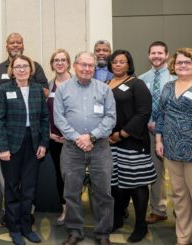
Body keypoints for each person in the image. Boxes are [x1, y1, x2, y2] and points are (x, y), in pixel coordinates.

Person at [54, 51, 116, 245]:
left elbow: (111, 117)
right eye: (83, 65)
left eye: (91, 66)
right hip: (72, 149)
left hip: (100, 147)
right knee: (71, 192)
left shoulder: (105, 89)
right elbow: (59, 118)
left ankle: (103, 232)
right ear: (75, 66)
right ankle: (74, 231)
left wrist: (91, 136)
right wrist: (78, 138)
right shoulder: (63, 89)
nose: (87, 69)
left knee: (103, 192)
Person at [0, 54, 49, 245]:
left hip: (33, 143)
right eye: (17, 67)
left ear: (31, 69)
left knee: (28, 189)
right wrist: (2, 147)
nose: (22, 69)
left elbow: (44, 118)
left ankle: (26, 226)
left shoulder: (37, 90)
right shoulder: (4, 89)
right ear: (12, 70)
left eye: (25, 66)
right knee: (11, 187)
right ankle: (14, 228)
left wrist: (43, 143)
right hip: (11, 144)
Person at [107, 50, 156, 242]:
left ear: (129, 65)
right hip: (109, 142)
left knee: (137, 183)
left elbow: (143, 113)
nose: (118, 64)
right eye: (115, 61)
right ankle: (117, 218)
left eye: (122, 62)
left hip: (132, 141)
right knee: (116, 184)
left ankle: (141, 225)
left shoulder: (137, 84)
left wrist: (122, 134)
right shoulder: (105, 84)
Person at [155, 47, 192, 245]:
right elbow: (161, 114)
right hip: (171, 149)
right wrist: (159, 140)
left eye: (187, 62)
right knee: (179, 196)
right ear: (174, 65)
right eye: (179, 62)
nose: (183, 65)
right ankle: (183, 238)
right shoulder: (168, 87)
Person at [139, 41, 176, 224]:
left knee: (178, 175)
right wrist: (147, 123)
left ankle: (181, 211)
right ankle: (159, 209)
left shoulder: (175, 77)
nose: (156, 56)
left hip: (173, 132)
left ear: (167, 55)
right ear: (148, 55)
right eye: (153, 53)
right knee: (156, 171)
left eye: (160, 53)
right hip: (150, 133)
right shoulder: (142, 78)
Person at [47, 49, 71, 226]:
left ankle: (75, 209)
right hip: (55, 139)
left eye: (63, 60)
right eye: (56, 60)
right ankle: (65, 209)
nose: (60, 63)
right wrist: (49, 133)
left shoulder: (78, 83)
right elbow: (44, 113)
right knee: (60, 175)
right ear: (52, 64)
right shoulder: (49, 85)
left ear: (69, 63)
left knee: (74, 175)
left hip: (74, 139)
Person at [0, 32, 49, 96]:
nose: (15, 45)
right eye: (12, 43)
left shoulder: (35, 67)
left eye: (19, 42)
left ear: (23, 46)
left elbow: (46, 92)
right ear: (6, 47)